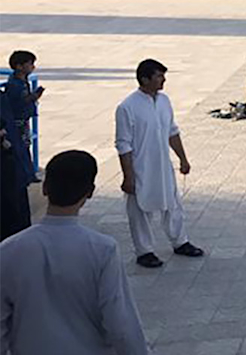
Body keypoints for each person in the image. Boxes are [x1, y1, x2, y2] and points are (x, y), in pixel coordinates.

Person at [0, 150, 149, 355]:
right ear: (89, 192)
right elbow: (120, 323)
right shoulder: (102, 250)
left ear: (45, 188)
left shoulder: (9, 249)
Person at [115, 59, 204, 268]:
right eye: (158, 76)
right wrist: (128, 176)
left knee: (172, 204)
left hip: (163, 165)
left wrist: (183, 158)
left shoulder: (164, 101)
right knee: (140, 210)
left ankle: (180, 241)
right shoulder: (127, 107)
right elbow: (123, 144)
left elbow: (171, 131)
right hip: (141, 167)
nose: (163, 80)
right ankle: (144, 250)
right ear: (145, 79)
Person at [1, 51, 42, 205]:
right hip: (17, 121)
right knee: (20, 147)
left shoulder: (21, 80)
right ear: (19, 66)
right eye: (29, 63)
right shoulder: (14, 84)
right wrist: (33, 97)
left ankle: (28, 172)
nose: (32, 67)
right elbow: (18, 102)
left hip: (22, 120)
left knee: (25, 145)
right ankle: (25, 173)